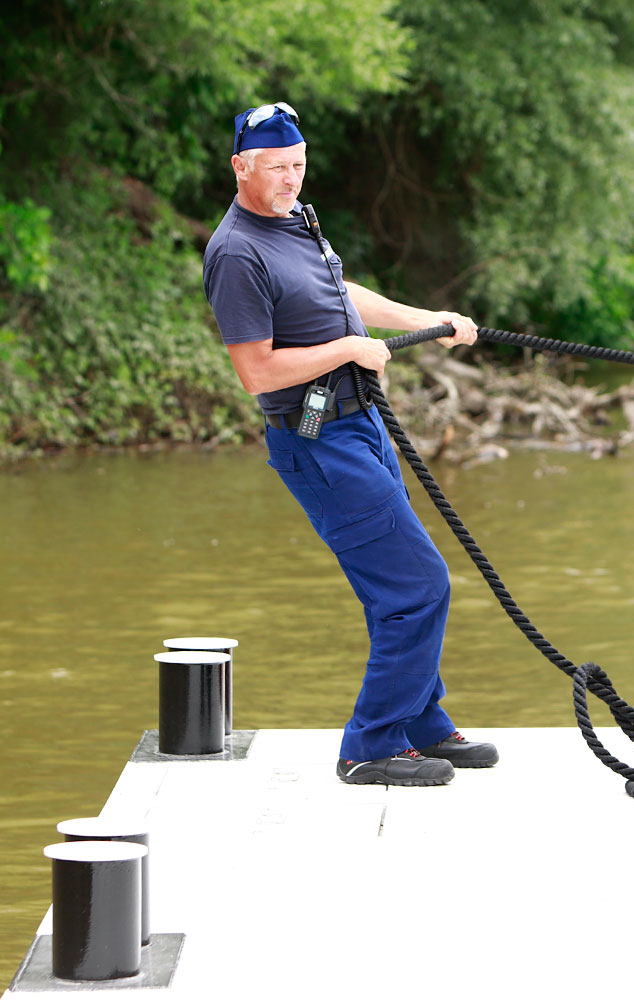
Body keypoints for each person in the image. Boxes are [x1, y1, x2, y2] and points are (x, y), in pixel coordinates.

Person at [201, 101, 499, 787]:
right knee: (419, 583)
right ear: (241, 167)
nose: (291, 179)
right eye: (276, 168)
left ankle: (421, 723)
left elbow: (341, 291)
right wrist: (347, 349)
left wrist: (432, 320)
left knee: (394, 583)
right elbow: (257, 372)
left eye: (299, 165)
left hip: (358, 423)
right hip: (316, 441)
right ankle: (368, 746)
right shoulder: (236, 252)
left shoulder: (296, 220)